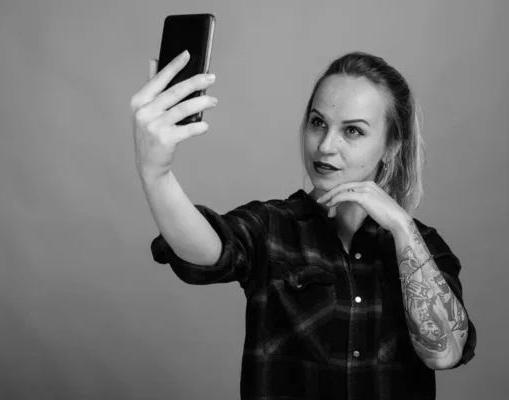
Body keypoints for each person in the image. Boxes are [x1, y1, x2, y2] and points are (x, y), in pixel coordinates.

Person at [131, 50, 477, 400]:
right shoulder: (273, 227)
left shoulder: (423, 245)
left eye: (353, 131)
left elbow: (443, 353)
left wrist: (402, 228)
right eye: (317, 122)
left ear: (391, 147)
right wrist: (156, 173)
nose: (326, 146)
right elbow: (208, 251)